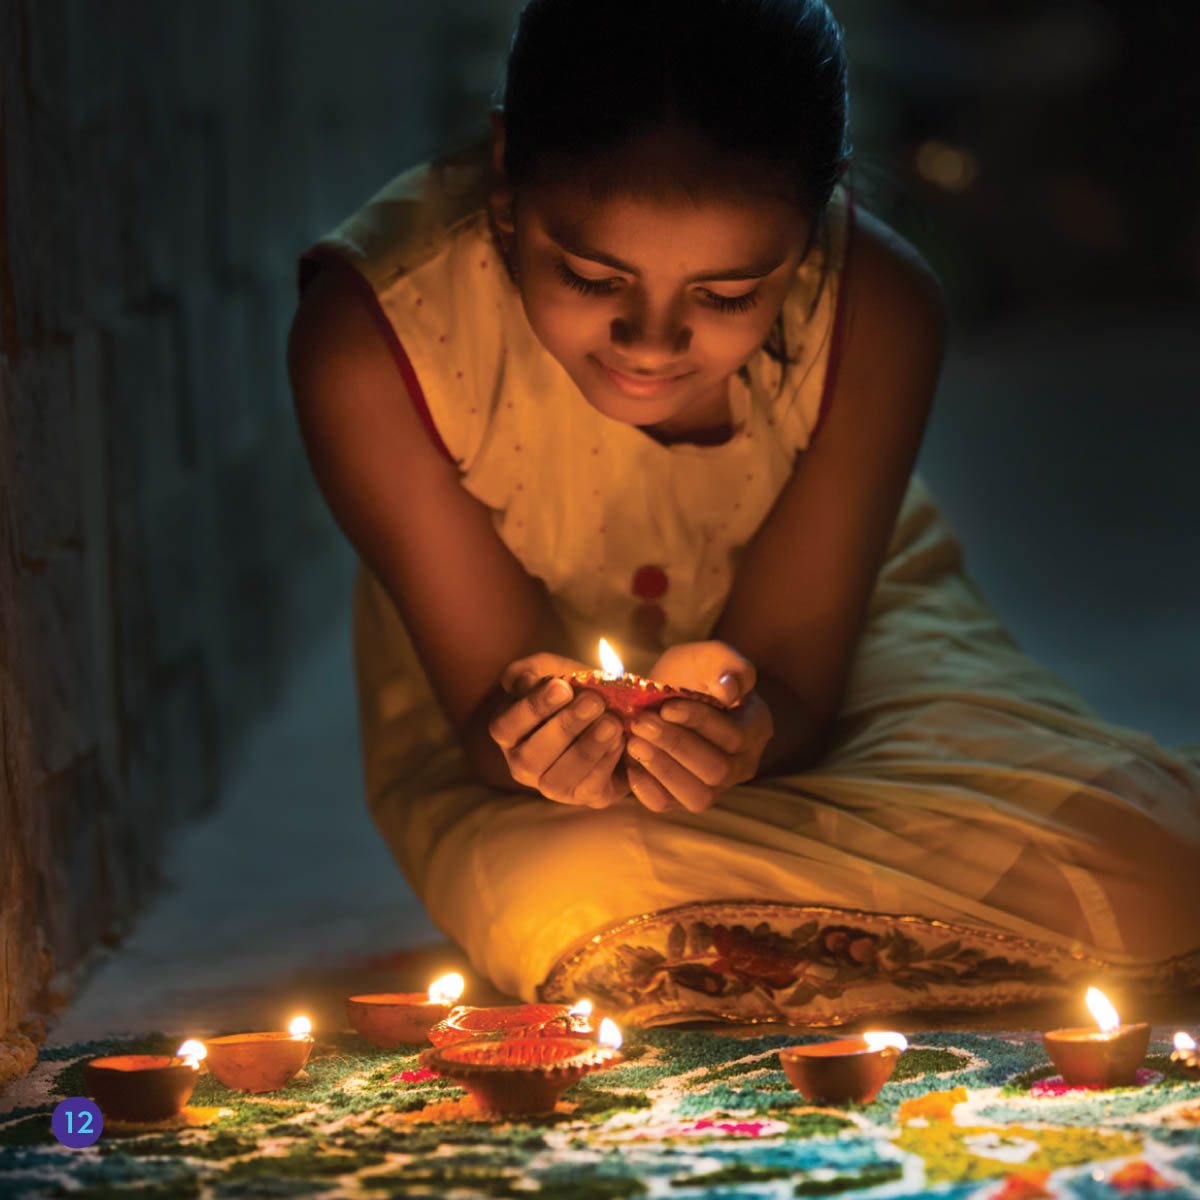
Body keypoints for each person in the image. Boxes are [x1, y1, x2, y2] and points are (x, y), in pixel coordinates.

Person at [288, 0, 1200, 1024]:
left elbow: (802, 683)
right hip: (513, 769)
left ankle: (773, 945)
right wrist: (540, 736)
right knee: (573, 896)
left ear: (816, 225)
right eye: (592, 276)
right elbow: (489, 726)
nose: (651, 342)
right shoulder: (376, 340)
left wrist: (754, 724)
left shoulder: (878, 310)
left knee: (1151, 861)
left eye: (727, 295)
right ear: (506, 180)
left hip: (865, 639)